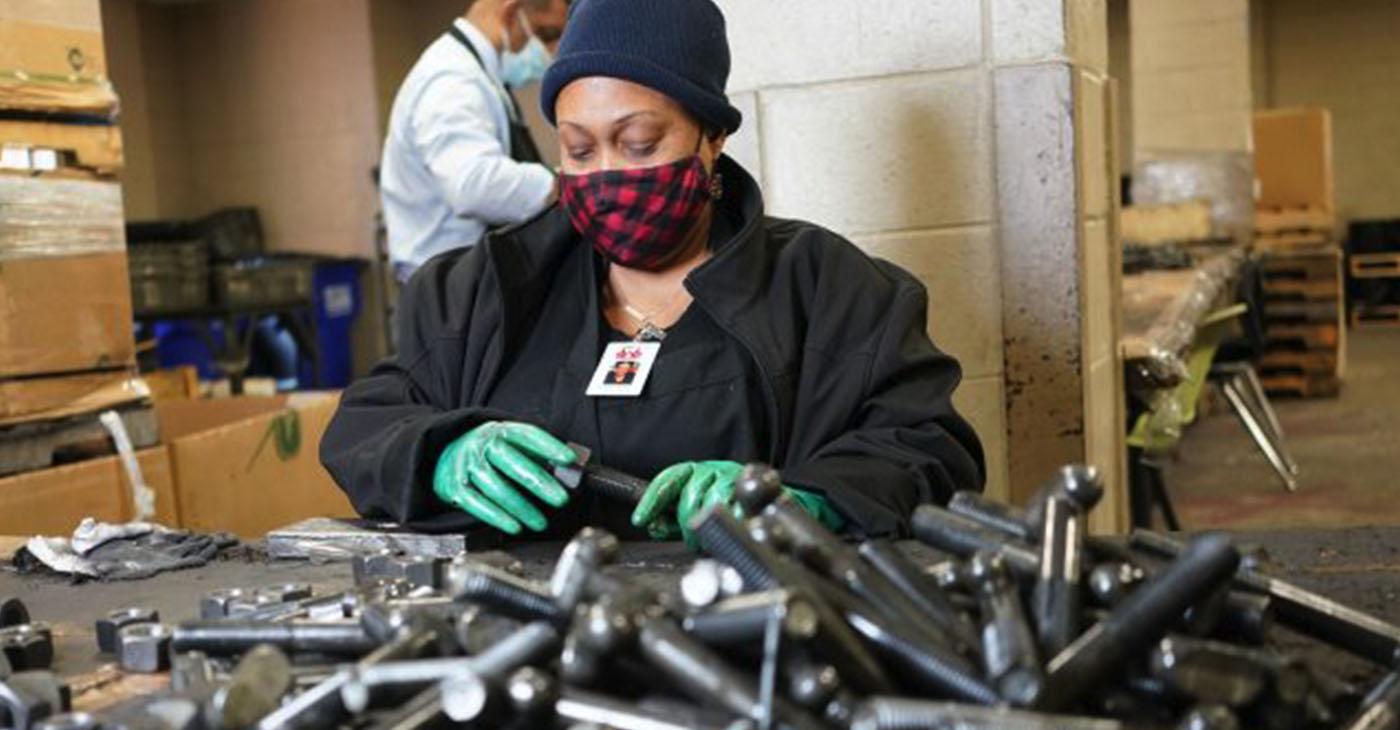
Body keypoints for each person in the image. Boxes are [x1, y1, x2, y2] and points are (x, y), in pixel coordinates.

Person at [323, 0, 985, 543]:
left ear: (712, 137)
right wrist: (440, 453)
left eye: (638, 143)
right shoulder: (484, 291)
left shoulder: (827, 289)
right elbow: (365, 425)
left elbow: (930, 451)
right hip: (517, 641)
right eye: (578, 149)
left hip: (748, 636)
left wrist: (803, 500)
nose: (606, 173)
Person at [380, 0, 570, 283]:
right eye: (547, 34)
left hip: (467, 276)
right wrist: (561, 185)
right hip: (447, 289)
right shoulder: (451, 79)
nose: (552, 52)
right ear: (512, 12)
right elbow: (473, 184)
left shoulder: (481, 76)